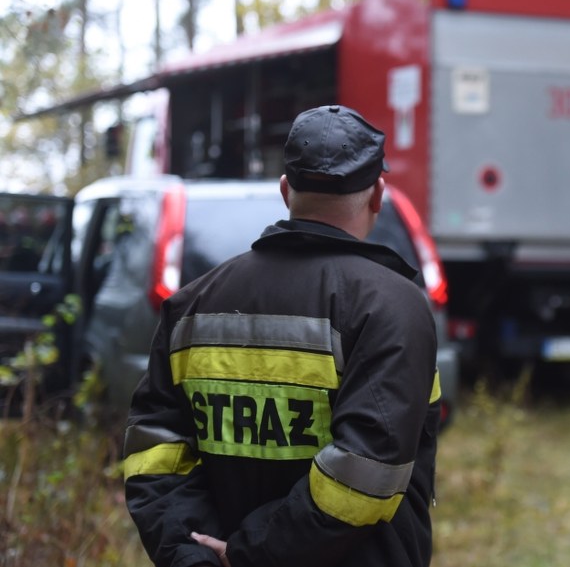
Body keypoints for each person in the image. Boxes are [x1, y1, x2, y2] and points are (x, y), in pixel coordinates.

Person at [122, 105, 441, 567]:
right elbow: (363, 478)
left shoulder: (191, 305)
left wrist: (196, 555)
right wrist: (251, 554)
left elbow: (153, 455)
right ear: (378, 195)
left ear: (285, 190)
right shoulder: (393, 307)